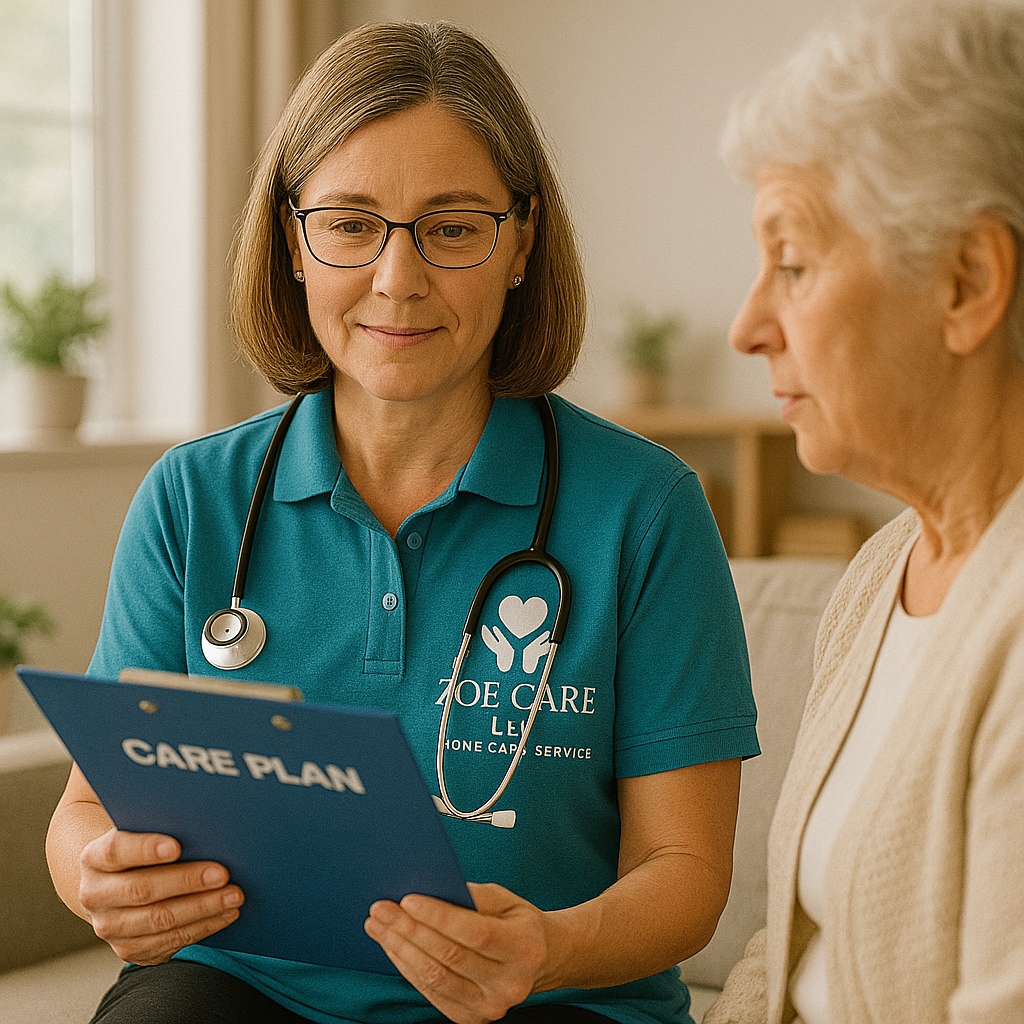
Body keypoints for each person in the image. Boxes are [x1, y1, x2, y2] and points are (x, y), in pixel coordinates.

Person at [45, 21, 759, 1024]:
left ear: (521, 243)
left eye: (452, 227)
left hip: (551, 997)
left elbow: (681, 866)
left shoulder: (644, 508)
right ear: (293, 242)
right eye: (348, 224)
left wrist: (550, 948)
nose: (396, 278)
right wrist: (101, 876)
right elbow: (84, 810)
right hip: (252, 985)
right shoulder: (193, 498)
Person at [705, 2, 1024, 1023]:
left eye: (790, 259)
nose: (746, 325)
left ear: (965, 282)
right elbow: (790, 948)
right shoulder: (883, 571)